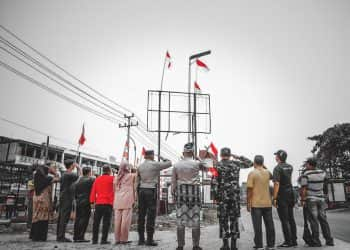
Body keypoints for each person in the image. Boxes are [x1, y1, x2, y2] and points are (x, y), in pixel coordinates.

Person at [211, 147, 253, 250]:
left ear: (221, 155)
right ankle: (233, 245)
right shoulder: (236, 164)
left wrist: (215, 197)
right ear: (230, 155)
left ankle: (225, 245)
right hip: (234, 197)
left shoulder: (217, 165)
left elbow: (214, 182)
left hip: (222, 198)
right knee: (234, 220)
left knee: (223, 220)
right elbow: (250, 163)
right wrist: (238, 157)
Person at [171, 143, 211, 250]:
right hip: (194, 195)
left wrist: (173, 193)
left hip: (181, 195)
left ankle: (180, 246)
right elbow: (208, 168)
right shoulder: (197, 163)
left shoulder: (176, 165)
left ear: (183, 153)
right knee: (195, 220)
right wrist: (198, 158)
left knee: (180, 220)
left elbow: (173, 182)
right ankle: (196, 245)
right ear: (192, 152)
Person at [137, 149, 172, 246]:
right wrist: (162, 158)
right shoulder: (155, 164)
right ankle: (149, 240)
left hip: (141, 191)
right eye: (153, 155)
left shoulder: (140, 166)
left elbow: (138, 180)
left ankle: (141, 240)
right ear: (151, 156)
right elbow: (169, 163)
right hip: (151, 190)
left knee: (141, 215)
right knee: (151, 216)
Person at [300, 158, 334, 247]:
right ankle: (329, 240)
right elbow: (326, 184)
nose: (306, 166)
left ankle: (316, 241)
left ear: (309, 164)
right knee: (323, 219)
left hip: (311, 199)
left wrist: (303, 200)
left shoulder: (306, 174)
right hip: (321, 199)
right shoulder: (322, 172)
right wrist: (326, 196)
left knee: (313, 220)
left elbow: (303, 188)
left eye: (307, 164)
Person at [247, 155, 275, 250]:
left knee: (257, 226)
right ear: (263, 163)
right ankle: (271, 245)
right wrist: (264, 166)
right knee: (269, 224)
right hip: (267, 203)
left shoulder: (252, 173)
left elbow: (249, 190)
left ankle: (259, 246)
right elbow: (272, 176)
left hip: (256, 204)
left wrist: (248, 203)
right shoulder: (267, 173)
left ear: (254, 162)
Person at [272, 150, 297, 247]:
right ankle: (294, 240)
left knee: (284, 219)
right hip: (290, 193)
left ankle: (288, 241)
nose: (275, 157)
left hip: (282, 196)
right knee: (291, 218)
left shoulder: (277, 168)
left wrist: (274, 198)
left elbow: (277, 183)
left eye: (276, 155)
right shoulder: (290, 166)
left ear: (278, 157)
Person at [31, 164, 59, 241]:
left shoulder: (37, 177)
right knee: (43, 218)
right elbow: (58, 179)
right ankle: (41, 237)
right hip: (44, 200)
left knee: (36, 217)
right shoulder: (48, 178)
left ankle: (34, 236)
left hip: (36, 198)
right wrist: (55, 173)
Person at [57, 159, 81, 242]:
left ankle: (59, 235)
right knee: (64, 217)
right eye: (73, 164)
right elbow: (79, 177)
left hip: (64, 196)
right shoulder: (69, 174)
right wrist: (79, 168)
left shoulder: (64, 174)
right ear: (71, 165)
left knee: (61, 216)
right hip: (67, 197)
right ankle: (61, 236)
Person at [90, 165, 114, 245]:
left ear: (102, 171)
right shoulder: (112, 179)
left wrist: (92, 201)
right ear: (109, 171)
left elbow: (93, 191)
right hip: (108, 203)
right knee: (106, 223)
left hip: (99, 203)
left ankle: (94, 240)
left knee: (96, 222)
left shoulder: (97, 179)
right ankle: (104, 240)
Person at [113, 162, 136, 244]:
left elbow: (114, 190)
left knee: (117, 221)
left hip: (117, 200)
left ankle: (117, 239)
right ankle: (124, 239)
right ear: (127, 168)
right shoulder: (131, 176)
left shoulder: (116, 178)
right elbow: (137, 175)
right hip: (127, 200)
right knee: (125, 221)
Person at [73, 166, 94, 243]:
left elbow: (74, 191)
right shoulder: (91, 180)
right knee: (84, 219)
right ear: (89, 172)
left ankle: (75, 236)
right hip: (86, 202)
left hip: (78, 201)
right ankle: (81, 237)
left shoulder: (78, 180)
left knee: (78, 219)